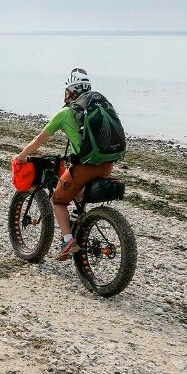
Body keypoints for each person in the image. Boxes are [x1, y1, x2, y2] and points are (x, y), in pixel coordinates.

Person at [13, 68, 116, 261]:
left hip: (86, 166)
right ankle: (80, 219)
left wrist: (21, 156)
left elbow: (38, 140)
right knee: (76, 191)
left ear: (69, 92)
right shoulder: (97, 109)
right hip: (107, 164)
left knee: (58, 201)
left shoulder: (65, 113)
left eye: (66, 90)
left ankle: (68, 241)